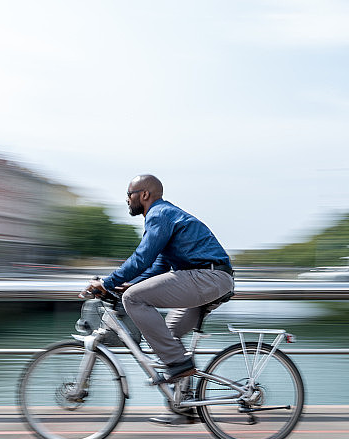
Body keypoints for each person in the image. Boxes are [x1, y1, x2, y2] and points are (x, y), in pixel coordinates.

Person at [81, 174, 234, 424]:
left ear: (144, 195)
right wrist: (126, 283)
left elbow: (143, 257)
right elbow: (159, 266)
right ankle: (183, 406)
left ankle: (178, 364)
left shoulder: (159, 214)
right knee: (168, 335)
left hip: (207, 277)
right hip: (212, 277)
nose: (127, 199)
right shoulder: (166, 215)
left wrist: (108, 283)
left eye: (129, 194)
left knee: (133, 300)